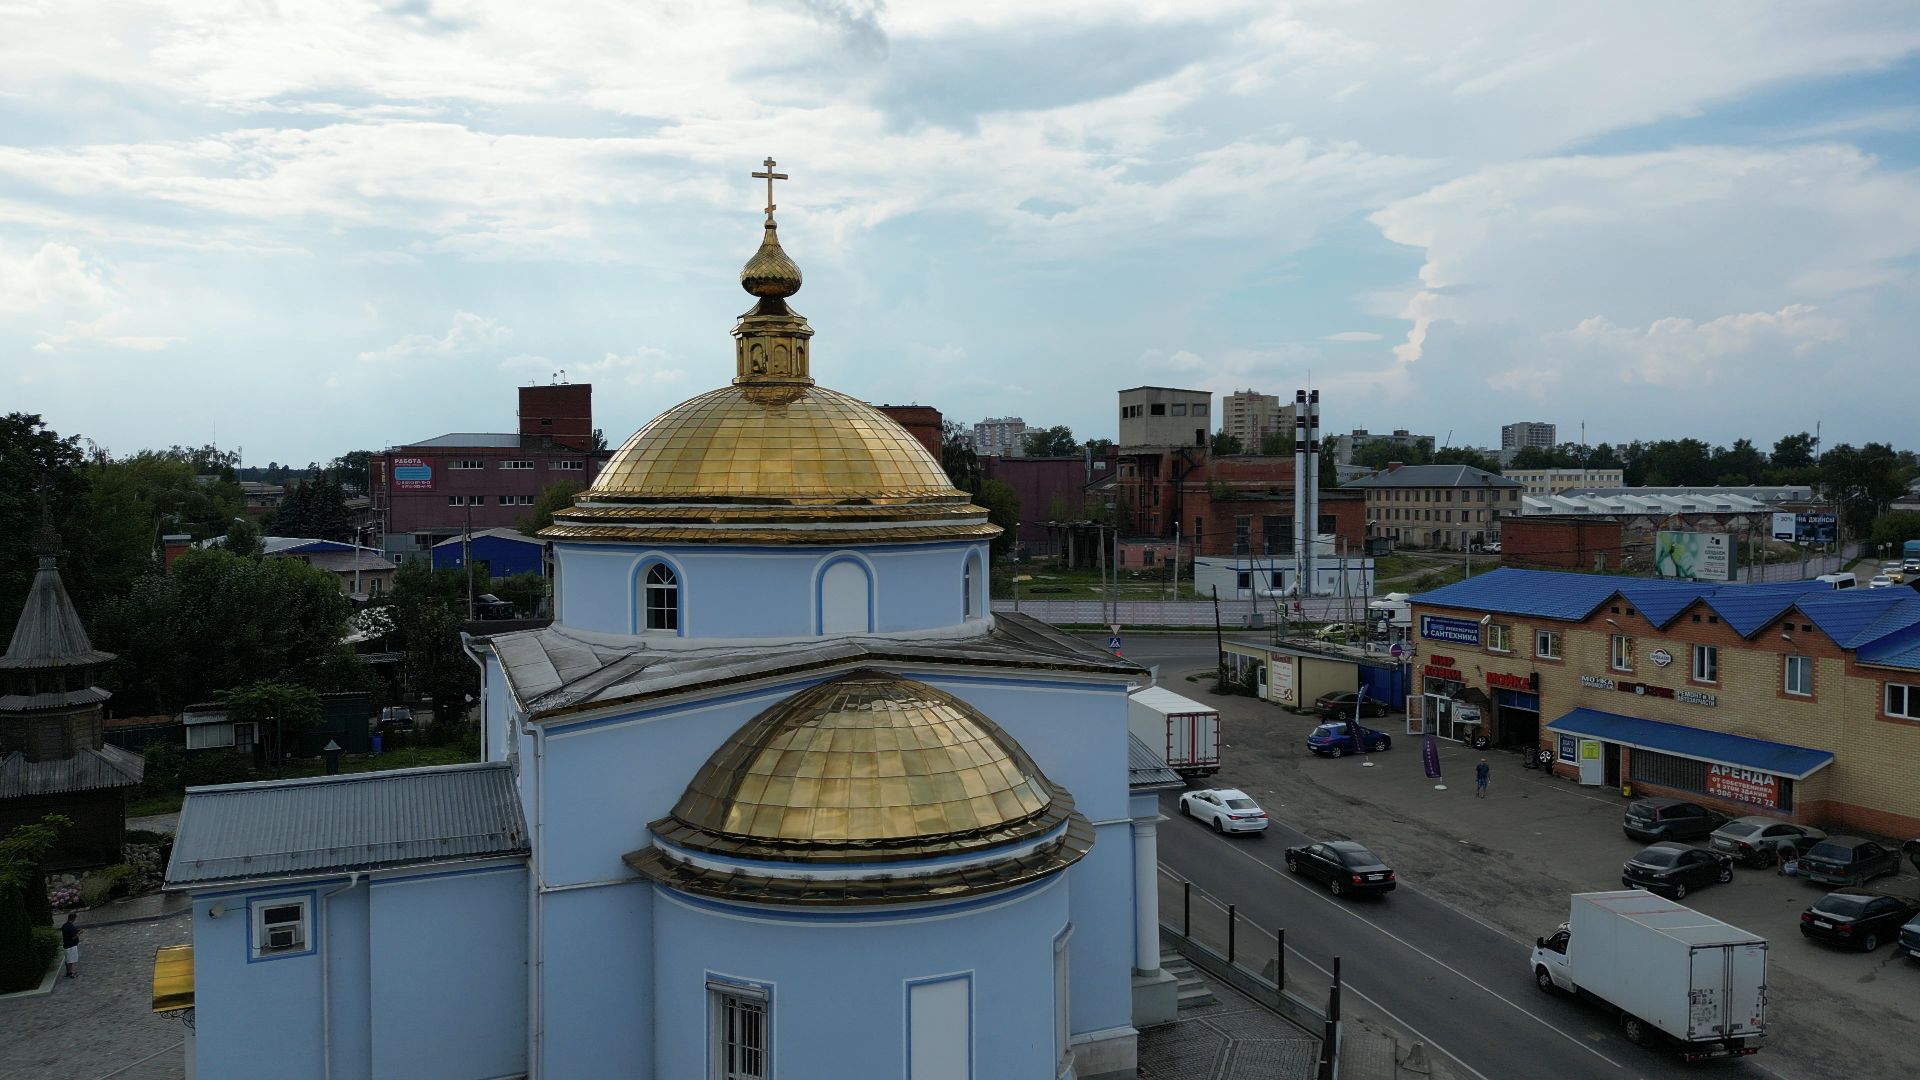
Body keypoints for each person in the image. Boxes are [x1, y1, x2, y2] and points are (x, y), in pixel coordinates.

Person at [61, 913, 80, 978]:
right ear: (73, 918)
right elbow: (73, 937)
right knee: (70, 960)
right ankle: (70, 973)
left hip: (66, 944)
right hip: (71, 945)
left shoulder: (64, 925)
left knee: (67, 960)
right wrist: (79, 933)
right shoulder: (71, 927)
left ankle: (68, 972)